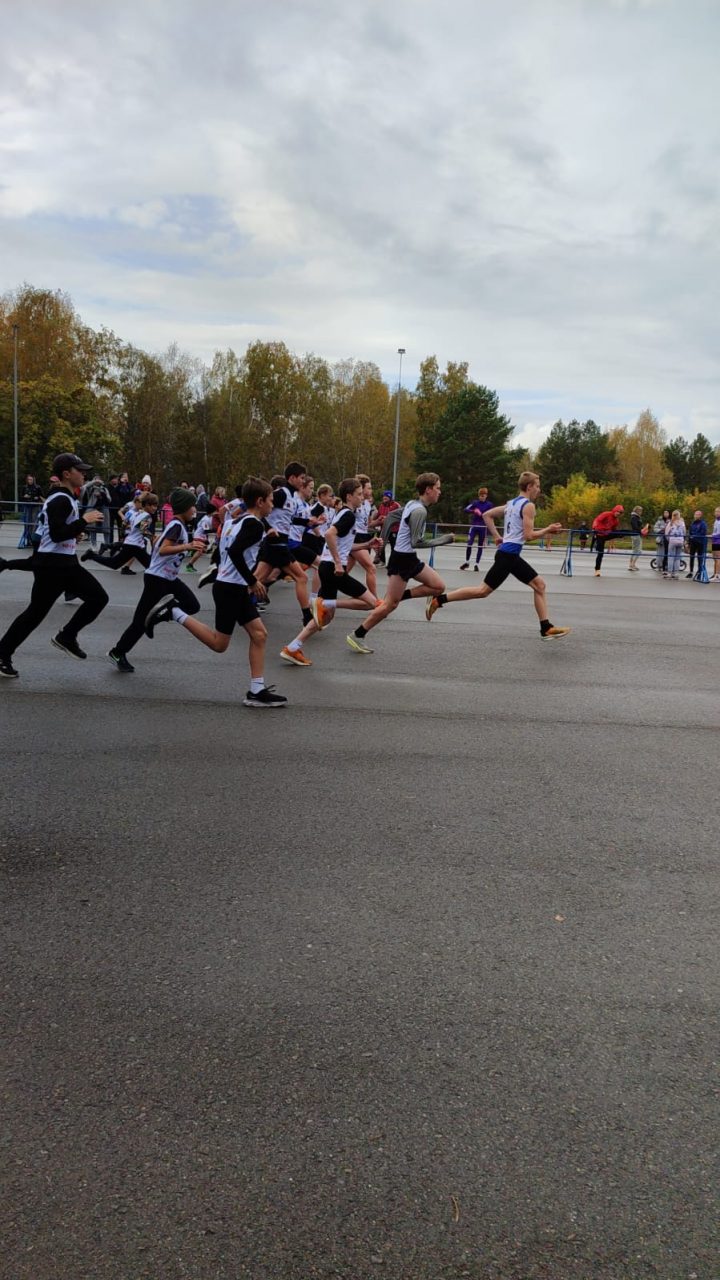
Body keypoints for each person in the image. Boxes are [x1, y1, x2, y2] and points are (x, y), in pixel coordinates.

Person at [143, 477, 287, 708]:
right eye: (270, 500)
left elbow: (225, 549)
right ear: (260, 501)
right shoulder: (253, 525)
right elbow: (236, 552)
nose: (273, 504)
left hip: (230, 585)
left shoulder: (234, 520)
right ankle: (173, 612)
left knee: (259, 635)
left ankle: (257, 690)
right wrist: (252, 581)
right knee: (219, 644)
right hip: (231, 588)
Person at [425, 471, 570, 640]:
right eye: (537, 486)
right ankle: (438, 600)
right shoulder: (528, 506)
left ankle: (546, 628)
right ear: (529, 486)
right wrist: (548, 530)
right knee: (482, 591)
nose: (539, 489)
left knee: (539, 585)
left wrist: (497, 536)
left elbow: (487, 515)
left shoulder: (511, 504)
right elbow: (529, 536)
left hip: (509, 555)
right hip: (508, 557)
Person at [0, 453, 108, 679]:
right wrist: (83, 521)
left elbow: (57, 531)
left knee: (35, 614)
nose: (84, 474)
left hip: (59, 563)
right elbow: (58, 534)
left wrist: (75, 533)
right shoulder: (61, 499)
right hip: (55, 565)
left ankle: (62, 637)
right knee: (96, 599)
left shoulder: (64, 497)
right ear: (67, 474)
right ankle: (65, 636)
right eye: (79, 470)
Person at [346, 472, 451, 655]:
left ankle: (400, 596)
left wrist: (382, 544)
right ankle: (357, 635)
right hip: (402, 560)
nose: (439, 492)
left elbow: (390, 518)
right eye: (438, 488)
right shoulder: (419, 511)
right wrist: (443, 540)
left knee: (438, 586)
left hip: (409, 558)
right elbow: (415, 542)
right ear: (428, 490)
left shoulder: (412, 504)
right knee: (389, 606)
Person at [280, 477, 380, 667]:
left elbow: (344, 544)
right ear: (349, 496)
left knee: (326, 616)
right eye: (359, 494)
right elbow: (328, 534)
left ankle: (292, 647)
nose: (362, 498)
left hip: (327, 567)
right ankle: (325, 603)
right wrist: (338, 563)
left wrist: (367, 544)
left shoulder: (344, 513)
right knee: (371, 603)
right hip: (334, 569)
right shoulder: (348, 515)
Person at [106, 489, 205, 673]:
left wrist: (188, 547)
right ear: (184, 507)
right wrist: (188, 546)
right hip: (157, 579)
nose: (195, 510)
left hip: (167, 577)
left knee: (192, 605)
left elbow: (161, 545)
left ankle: (156, 617)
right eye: (192, 506)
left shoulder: (177, 525)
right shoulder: (176, 526)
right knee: (140, 621)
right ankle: (117, 652)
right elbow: (163, 550)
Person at [81, 493, 158, 573]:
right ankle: (91, 555)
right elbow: (143, 530)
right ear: (147, 505)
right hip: (135, 545)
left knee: (114, 564)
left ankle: (92, 555)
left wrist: (123, 536)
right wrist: (154, 538)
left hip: (131, 543)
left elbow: (124, 524)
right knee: (151, 567)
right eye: (154, 506)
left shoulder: (135, 513)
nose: (155, 508)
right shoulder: (147, 516)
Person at [460, 487, 494, 571]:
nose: (482, 497)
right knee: (469, 543)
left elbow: (492, 515)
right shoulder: (475, 503)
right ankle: (467, 562)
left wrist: (483, 515)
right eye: (480, 496)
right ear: (478, 496)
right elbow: (466, 509)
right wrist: (474, 511)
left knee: (480, 546)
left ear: (486, 496)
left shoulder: (489, 505)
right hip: (474, 526)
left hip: (483, 527)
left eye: (483, 495)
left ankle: (476, 564)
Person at [592, 505, 630, 576]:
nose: (619, 514)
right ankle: (597, 570)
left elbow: (613, 530)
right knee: (600, 553)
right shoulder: (606, 514)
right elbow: (597, 520)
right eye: (618, 512)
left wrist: (619, 535)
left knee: (621, 532)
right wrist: (595, 529)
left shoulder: (616, 521)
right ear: (615, 510)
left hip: (607, 534)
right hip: (599, 534)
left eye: (620, 513)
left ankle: (639, 532)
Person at [18, 475, 43, 548]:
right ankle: (28, 540)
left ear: (33, 480)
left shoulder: (38, 487)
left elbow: (42, 496)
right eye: (28, 479)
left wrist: (37, 498)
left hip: (35, 507)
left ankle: (33, 539)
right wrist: (24, 496)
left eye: (31, 479)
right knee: (27, 523)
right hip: (27, 506)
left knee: (34, 523)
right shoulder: (25, 487)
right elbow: (21, 496)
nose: (30, 481)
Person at [664, 510, 686, 580]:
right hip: (680, 541)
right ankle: (676, 573)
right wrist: (682, 539)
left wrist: (669, 539)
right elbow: (684, 532)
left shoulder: (670, 523)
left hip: (673, 541)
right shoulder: (682, 523)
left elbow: (666, 533)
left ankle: (670, 573)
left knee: (671, 557)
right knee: (677, 557)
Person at [687, 510, 707, 579]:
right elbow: (690, 533)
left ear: (700, 515)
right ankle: (691, 572)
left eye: (698, 514)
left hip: (700, 543)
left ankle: (699, 573)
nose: (696, 516)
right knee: (691, 557)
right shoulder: (692, 523)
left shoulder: (703, 523)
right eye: (695, 514)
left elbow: (703, 532)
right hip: (693, 543)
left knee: (700, 558)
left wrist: (694, 536)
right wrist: (688, 542)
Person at [653, 509, 671, 575]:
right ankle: (659, 566)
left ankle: (666, 565)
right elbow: (655, 528)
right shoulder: (659, 520)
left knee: (667, 553)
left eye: (667, 513)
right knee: (660, 553)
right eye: (664, 513)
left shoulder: (671, 520)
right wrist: (661, 530)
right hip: (661, 539)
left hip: (669, 539)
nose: (665, 514)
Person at [628, 506, 647, 571]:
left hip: (636, 534)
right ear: (637, 511)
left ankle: (631, 564)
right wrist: (642, 530)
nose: (641, 512)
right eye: (640, 511)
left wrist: (644, 528)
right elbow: (635, 527)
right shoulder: (634, 517)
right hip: (636, 535)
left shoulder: (636, 517)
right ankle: (632, 565)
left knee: (635, 550)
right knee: (638, 551)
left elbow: (638, 526)